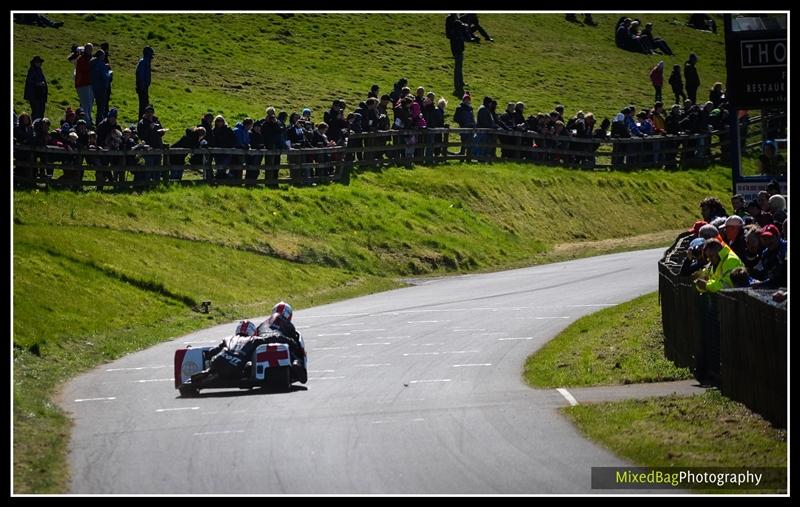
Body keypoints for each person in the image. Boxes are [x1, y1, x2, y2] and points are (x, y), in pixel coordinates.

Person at [255, 301, 307, 383]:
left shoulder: (263, 323)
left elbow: (255, 335)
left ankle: (250, 366)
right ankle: (296, 363)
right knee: (294, 347)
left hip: (261, 340)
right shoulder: (287, 323)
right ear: (289, 315)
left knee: (254, 351)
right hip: (280, 338)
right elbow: (295, 338)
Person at [445, 14, 468, 97]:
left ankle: (460, 82)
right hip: (458, 47)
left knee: (459, 66)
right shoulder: (455, 23)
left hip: (456, 47)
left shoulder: (451, 22)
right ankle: (458, 84)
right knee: (458, 67)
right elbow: (463, 27)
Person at [24, 56, 48, 121]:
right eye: (38, 62)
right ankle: (35, 124)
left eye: (40, 62)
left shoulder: (39, 70)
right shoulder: (32, 70)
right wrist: (38, 83)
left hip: (40, 95)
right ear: (34, 63)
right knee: (36, 112)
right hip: (34, 95)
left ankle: (39, 124)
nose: (39, 64)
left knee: (41, 111)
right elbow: (29, 81)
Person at [135, 46, 155, 120]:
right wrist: (142, 85)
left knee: (144, 105)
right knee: (143, 106)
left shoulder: (145, 62)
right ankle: (142, 120)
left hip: (144, 87)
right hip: (142, 87)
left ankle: (144, 119)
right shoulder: (143, 62)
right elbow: (140, 74)